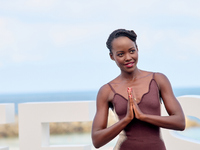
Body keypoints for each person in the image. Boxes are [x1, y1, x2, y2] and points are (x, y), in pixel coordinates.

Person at [91, 29, 185, 150]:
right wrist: (126, 119)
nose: (128, 57)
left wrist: (143, 116)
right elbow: (97, 140)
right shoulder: (106, 91)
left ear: (137, 48)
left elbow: (180, 122)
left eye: (132, 51)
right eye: (120, 54)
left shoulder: (158, 79)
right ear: (112, 56)